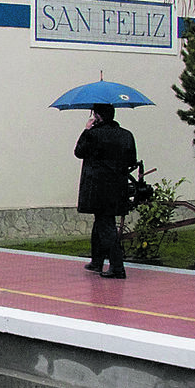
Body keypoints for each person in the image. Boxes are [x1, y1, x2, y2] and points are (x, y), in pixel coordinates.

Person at [74, 102, 137, 279]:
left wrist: (86, 130)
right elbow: (132, 159)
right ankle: (97, 261)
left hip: (97, 189)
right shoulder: (126, 135)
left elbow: (79, 152)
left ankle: (117, 267)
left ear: (98, 116)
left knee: (106, 226)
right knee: (101, 223)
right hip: (118, 187)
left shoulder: (93, 134)